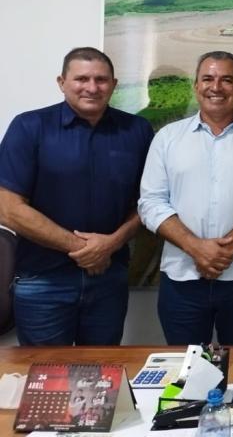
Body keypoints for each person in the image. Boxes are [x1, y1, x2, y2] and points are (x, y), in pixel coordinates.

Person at [0, 47, 153, 345]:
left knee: (101, 376)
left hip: (109, 279)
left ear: (114, 84)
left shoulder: (137, 130)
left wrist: (111, 244)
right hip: (42, 281)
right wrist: (83, 249)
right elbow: (8, 208)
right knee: (45, 380)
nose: (92, 88)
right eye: (81, 78)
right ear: (61, 82)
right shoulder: (29, 127)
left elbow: (150, 201)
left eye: (101, 80)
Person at [138, 50, 233, 345]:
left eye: (226, 80)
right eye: (207, 78)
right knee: (186, 373)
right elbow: (151, 203)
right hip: (182, 278)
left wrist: (222, 252)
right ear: (196, 86)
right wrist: (196, 248)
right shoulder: (167, 138)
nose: (215, 87)